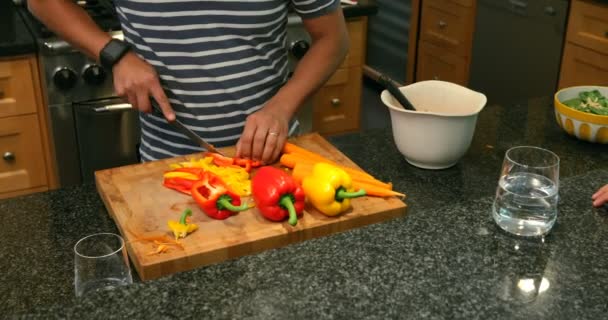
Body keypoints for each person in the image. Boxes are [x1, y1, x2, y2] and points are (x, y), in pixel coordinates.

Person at [28, 0, 349, 164]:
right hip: (169, 166)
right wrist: (116, 55)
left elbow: (332, 39)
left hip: (275, 159)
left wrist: (281, 108)